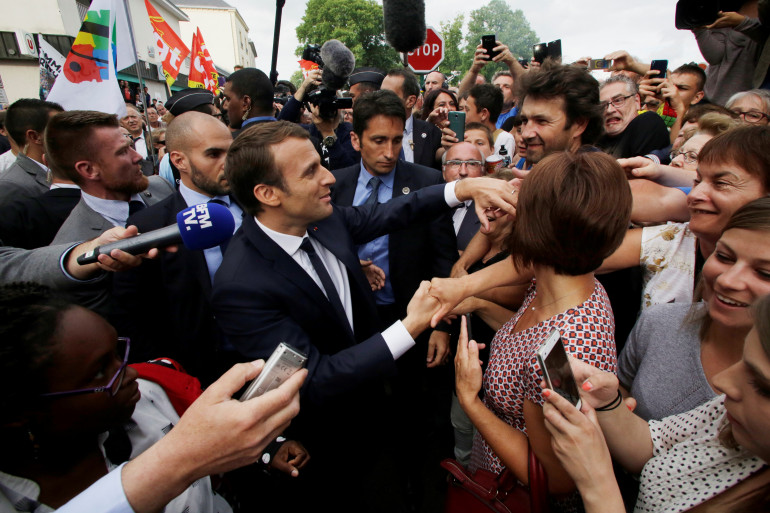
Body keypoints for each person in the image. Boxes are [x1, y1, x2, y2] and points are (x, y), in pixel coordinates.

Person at [211, 120, 515, 510]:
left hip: (373, 409)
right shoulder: (242, 284)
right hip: (321, 439)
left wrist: (464, 188)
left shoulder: (322, 218)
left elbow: (394, 211)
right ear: (268, 193)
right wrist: (412, 325)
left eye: (320, 164)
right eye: (310, 172)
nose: (329, 179)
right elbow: (316, 377)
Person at [0, 282, 305, 513]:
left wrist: (262, 446)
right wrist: (183, 459)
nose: (130, 373)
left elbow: (219, 437)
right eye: (98, 374)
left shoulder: (152, 391)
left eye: (118, 353)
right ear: (20, 413)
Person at [454, 150, 631, 511]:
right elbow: (529, 349)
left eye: (522, 198)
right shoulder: (553, 282)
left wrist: (470, 398)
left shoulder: (570, 349)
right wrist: (479, 303)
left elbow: (558, 480)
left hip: (512, 495)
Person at [542, 292, 770, 513]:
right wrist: (607, 405)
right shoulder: (726, 412)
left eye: (760, 385)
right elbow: (654, 442)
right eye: (742, 361)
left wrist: (597, 482)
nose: (722, 382)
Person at [111, 111, 242, 383]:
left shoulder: (258, 206)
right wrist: (166, 375)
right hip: (199, 372)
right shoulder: (150, 225)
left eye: (232, 152)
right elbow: (133, 312)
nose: (228, 163)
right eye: (213, 154)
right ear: (179, 160)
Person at [620, 197, 770, 421]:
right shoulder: (659, 322)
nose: (728, 281)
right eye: (724, 257)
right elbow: (619, 391)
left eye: (764, 273)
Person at [692, 1, 769, 105]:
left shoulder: (766, 10)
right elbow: (715, 57)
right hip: (711, 98)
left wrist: (742, 23)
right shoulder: (724, 7)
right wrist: (698, 28)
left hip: (747, 105)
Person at [0, 99, 63, 206]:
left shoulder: (64, 169)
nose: (70, 134)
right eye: (61, 128)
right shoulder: (12, 187)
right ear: (35, 136)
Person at [381, 68, 443, 169]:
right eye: (381, 93)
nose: (381, 99)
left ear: (410, 101)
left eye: (388, 95)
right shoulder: (368, 131)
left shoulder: (432, 134)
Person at [595, 75, 670, 158]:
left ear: (637, 100)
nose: (609, 110)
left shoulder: (648, 122)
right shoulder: (594, 139)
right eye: (603, 105)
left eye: (618, 100)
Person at [221, 67, 275, 137]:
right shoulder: (291, 134)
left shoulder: (233, 143)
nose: (224, 106)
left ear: (246, 103)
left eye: (228, 99)